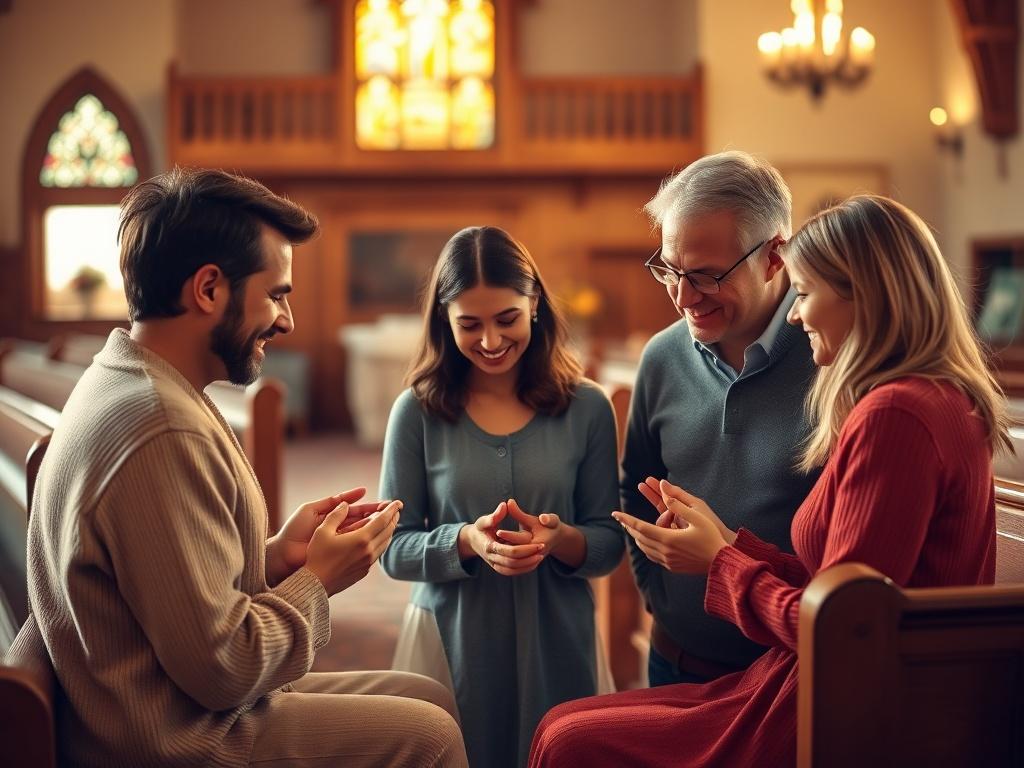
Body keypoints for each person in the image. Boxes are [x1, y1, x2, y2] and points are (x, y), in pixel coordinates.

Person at [528, 194, 1008, 767]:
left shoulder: (895, 416)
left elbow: (842, 634)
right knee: (567, 726)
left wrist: (721, 563)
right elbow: (840, 592)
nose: (797, 314)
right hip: (832, 685)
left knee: (567, 738)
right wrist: (725, 545)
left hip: (851, 711)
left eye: (805, 294)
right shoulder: (931, 400)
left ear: (865, 296)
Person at [28, 168, 468, 768]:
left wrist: (275, 557)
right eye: (277, 294)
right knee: (432, 736)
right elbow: (225, 668)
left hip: (162, 701)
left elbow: (162, 587)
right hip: (174, 738)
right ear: (209, 289)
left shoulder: (134, 380)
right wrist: (317, 582)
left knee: (427, 695)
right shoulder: (160, 425)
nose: (286, 321)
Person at [379, 226, 625, 768]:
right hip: (451, 639)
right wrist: (464, 540)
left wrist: (562, 540)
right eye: (470, 324)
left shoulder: (587, 408)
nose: (490, 341)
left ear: (534, 303)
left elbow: (610, 545)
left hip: (560, 637)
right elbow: (391, 549)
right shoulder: (417, 412)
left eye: (506, 319)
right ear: (445, 321)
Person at [622, 151, 819, 686]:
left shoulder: (832, 354)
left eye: (707, 276)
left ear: (775, 257)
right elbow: (633, 484)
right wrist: (659, 599)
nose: (684, 298)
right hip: (673, 659)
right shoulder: (662, 357)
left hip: (786, 674)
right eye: (669, 269)